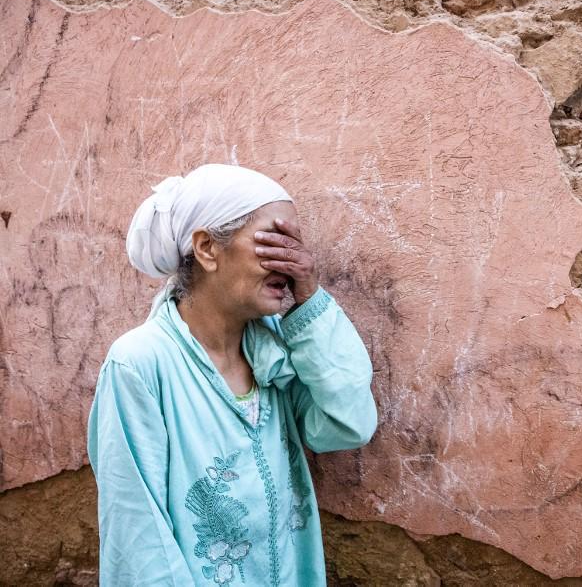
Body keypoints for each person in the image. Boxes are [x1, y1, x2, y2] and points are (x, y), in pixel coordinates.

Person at [87, 164, 377, 586]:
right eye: (274, 242)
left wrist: (309, 300)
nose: (292, 262)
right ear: (207, 248)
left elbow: (347, 423)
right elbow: (139, 540)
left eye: (295, 244)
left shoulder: (274, 353)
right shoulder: (139, 364)